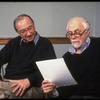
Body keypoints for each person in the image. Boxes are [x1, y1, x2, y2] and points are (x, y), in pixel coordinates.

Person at [42, 17, 100, 99]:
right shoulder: (67, 57)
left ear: (87, 32)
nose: (73, 37)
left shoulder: (98, 45)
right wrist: (53, 91)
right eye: (70, 33)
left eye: (77, 32)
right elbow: (67, 88)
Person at [0, 14, 56, 99]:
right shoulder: (13, 43)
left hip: (32, 87)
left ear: (34, 25)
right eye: (23, 31)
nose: (29, 33)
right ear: (18, 32)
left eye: (30, 28)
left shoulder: (45, 44)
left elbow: (50, 70)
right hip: (8, 83)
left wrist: (29, 81)